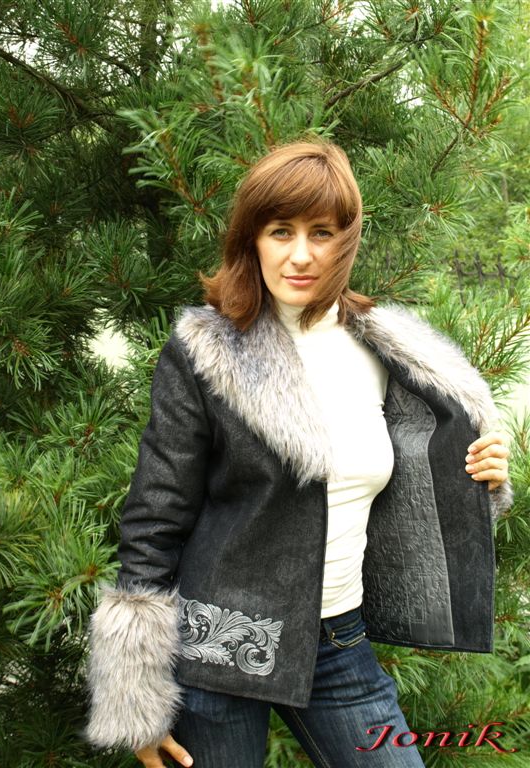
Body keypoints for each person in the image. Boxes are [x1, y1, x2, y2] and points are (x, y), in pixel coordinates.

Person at [85, 140, 511, 768]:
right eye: (281, 231)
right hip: (221, 643)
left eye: (323, 232)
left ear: (347, 240)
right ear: (252, 239)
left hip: (340, 642)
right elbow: (155, 516)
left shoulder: (383, 349)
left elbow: (411, 487)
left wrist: (478, 478)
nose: (302, 254)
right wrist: (136, 695)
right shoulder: (206, 352)